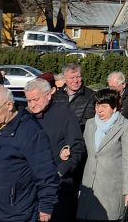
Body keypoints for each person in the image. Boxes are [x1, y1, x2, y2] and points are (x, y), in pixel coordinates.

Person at [0, 85, 60, 222]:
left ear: (9, 105)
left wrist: (46, 205)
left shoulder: (29, 131)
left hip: (14, 214)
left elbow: (45, 171)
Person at [24, 77, 84, 222]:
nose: (32, 105)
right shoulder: (25, 117)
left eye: (35, 100)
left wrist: (60, 171)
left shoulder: (65, 115)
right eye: (28, 101)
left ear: (48, 95)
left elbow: (77, 148)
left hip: (59, 185)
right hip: (29, 186)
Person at [77, 88, 128, 222]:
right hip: (89, 185)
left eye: (104, 106)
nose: (99, 110)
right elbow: (83, 150)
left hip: (111, 187)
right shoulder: (90, 124)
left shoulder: (125, 126)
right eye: (97, 106)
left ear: (114, 108)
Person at [52, 62, 97, 129]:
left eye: (78, 77)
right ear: (64, 79)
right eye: (72, 78)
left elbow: (88, 122)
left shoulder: (91, 95)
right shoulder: (56, 96)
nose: (75, 81)